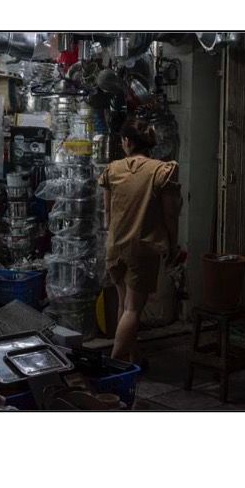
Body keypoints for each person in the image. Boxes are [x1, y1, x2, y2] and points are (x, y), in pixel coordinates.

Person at [98, 118, 182, 363]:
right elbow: (170, 215)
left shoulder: (112, 170)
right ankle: (114, 365)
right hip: (142, 247)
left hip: (115, 245)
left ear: (127, 142)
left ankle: (132, 359)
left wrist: (112, 238)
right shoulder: (161, 170)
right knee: (133, 309)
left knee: (124, 306)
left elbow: (107, 215)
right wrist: (172, 244)